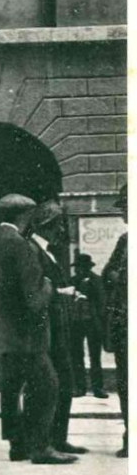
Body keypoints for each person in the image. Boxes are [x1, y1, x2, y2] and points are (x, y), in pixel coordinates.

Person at [0, 194, 70, 464]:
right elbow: (34, 297)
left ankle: (16, 445)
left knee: (9, 388)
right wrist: (50, 287)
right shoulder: (21, 246)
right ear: (24, 215)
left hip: (4, 329)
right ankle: (41, 448)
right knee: (48, 385)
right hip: (28, 332)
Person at [30, 202, 86, 456]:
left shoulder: (48, 251)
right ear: (47, 225)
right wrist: (62, 292)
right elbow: (34, 291)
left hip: (59, 328)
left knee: (65, 382)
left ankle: (58, 439)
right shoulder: (32, 250)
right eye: (58, 224)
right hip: (46, 330)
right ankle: (45, 442)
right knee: (49, 385)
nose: (62, 229)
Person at [102, 186, 128, 458]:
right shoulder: (124, 241)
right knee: (126, 384)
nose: (123, 214)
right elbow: (108, 272)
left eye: (125, 207)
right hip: (124, 326)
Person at [70, 253, 108, 398]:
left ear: (86, 268)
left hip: (93, 323)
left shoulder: (96, 281)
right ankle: (80, 387)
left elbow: (102, 303)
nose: (77, 270)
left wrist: (87, 298)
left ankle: (98, 388)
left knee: (95, 356)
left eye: (80, 267)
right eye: (76, 267)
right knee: (76, 355)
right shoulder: (72, 281)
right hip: (76, 323)